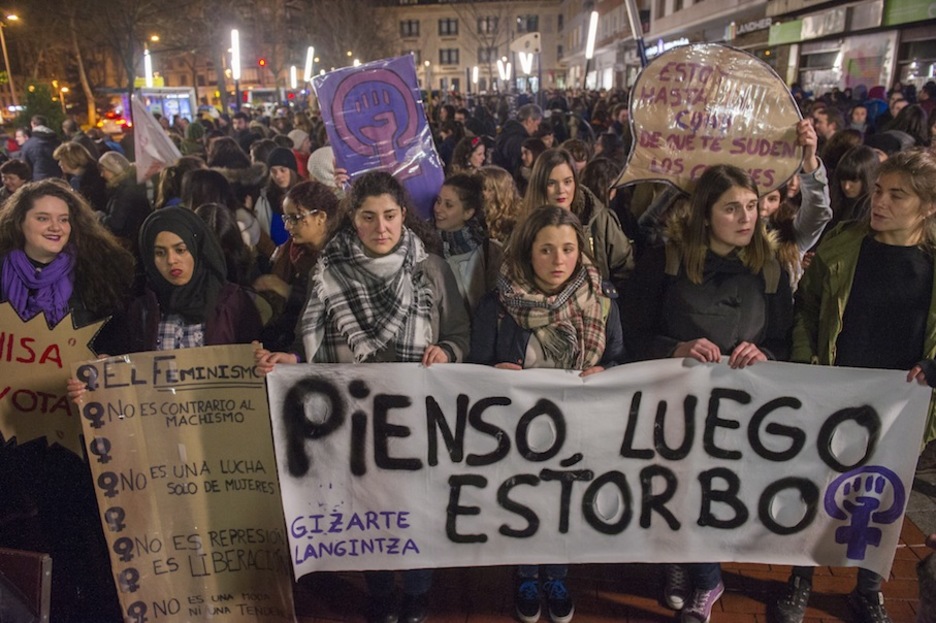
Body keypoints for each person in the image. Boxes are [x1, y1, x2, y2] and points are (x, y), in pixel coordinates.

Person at [255, 171, 469, 623]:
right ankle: (379, 591)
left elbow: (459, 333)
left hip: (414, 422)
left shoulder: (429, 267)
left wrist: (447, 350)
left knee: (415, 503)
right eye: (368, 217)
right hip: (350, 423)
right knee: (365, 503)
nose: (381, 228)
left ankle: (415, 592)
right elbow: (304, 338)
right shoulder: (327, 271)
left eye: (390, 216)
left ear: (403, 215)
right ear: (352, 219)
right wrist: (291, 360)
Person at [622, 164, 793, 623]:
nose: (747, 217)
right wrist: (674, 347)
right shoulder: (666, 261)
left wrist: (767, 356)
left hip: (740, 413)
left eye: (753, 206)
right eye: (731, 208)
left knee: (714, 494)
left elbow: (786, 340)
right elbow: (631, 336)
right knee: (673, 489)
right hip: (672, 405)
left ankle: (702, 573)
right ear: (704, 214)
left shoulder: (771, 269)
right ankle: (693, 568)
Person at [772, 149, 936, 623]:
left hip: (901, 407)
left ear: (927, 206)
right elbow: (806, 308)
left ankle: (868, 588)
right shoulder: (844, 245)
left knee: (882, 498)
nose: (879, 202)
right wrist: (808, 364)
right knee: (815, 488)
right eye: (879, 190)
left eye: (896, 195)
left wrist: (931, 365)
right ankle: (799, 578)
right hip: (835, 394)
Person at [469, 205, 625, 623]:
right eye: (547, 250)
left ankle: (556, 575)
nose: (559, 260)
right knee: (523, 502)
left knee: (563, 504)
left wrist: (605, 372)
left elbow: (618, 357)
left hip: (577, 433)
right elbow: (473, 368)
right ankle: (524, 574)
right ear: (527, 252)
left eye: (568, 249)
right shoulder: (498, 305)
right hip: (514, 435)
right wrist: (490, 374)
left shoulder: (602, 300)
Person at [1, 179, 134, 622]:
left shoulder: (102, 276)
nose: (55, 227)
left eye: (63, 219)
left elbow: (121, 349)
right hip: (9, 429)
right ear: (20, 222)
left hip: (73, 433)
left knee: (79, 532)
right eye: (43, 218)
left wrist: (99, 376)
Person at [115, 206, 262, 353]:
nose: (171, 260)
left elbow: (255, 360)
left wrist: (261, 359)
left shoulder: (233, 302)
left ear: (196, 249)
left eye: (180, 250)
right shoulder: (140, 309)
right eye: (160, 253)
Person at [525, 148, 634, 292]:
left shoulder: (598, 219)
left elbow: (624, 267)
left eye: (567, 182)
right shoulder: (525, 226)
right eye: (551, 183)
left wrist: (608, 305)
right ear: (539, 185)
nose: (561, 190)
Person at [253, 180, 341, 351]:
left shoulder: (340, 259)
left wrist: (286, 290)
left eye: (295, 218)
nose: (287, 226)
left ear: (321, 217)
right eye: (286, 218)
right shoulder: (295, 252)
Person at [433, 173, 502, 313]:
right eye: (438, 201)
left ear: (468, 213)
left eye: (448, 205)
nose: (438, 209)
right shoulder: (428, 249)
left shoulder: (491, 251)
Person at [98, 151, 152, 257]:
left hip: (130, 244)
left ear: (113, 169)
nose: (102, 174)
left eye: (103, 170)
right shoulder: (132, 184)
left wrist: (99, 216)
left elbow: (115, 224)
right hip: (137, 240)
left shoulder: (125, 190)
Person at [53, 141, 108, 212]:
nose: (59, 164)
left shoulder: (96, 179)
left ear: (72, 159)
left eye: (62, 160)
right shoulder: (69, 179)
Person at [478, 165, 523, 247]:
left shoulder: (518, 223)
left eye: (485, 188)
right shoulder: (473, 218)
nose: (481, 193)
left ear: (499, 192)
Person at [493, 103, 543, 174]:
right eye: (537, 124)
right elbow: (515, 167)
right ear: (529, 121)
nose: (537, 129)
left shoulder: (507, 132)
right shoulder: (519, 140)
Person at [19, 115, 62, 181]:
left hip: (39, 182)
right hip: (58, 179)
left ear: (32, 124)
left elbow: (25, 167)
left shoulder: (28, 144)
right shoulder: (57, 142)